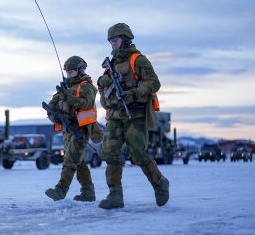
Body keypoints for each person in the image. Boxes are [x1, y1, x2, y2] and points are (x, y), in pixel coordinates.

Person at [97, 23, 169, 209]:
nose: (113, 44)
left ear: (126, 39)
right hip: (114, 115)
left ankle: (160, 183)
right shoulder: (111, 65)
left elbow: (154, 82)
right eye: (111, 41)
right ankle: (115, 195)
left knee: (137, 153)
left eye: (115, 40)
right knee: (110, 153)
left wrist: (135, 93)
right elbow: (103, 88)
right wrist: (103, 83)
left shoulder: (138, 60)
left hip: (134, 114)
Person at [45, 56, 103, 202]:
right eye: (67, 72)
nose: (68, 74)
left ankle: (61, 190)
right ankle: (88, 192)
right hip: (67, 130)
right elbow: (51, 107)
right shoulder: (64, 88)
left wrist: (68, 96)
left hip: (80, 130)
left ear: (80, 70)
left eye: (71, 72)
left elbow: (87, 104)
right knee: (80, 162)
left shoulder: (87, 86)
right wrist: (55, 117)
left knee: (70, 160)